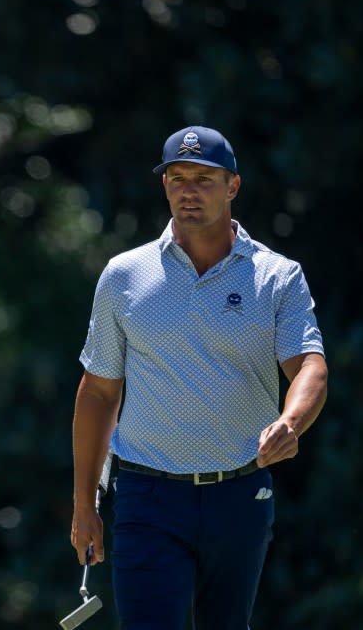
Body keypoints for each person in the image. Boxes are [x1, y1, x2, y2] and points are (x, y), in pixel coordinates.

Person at [69, 126, 328, 629]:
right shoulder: (124, 274)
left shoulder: (277, 276)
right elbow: (98, 392)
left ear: (233, 186)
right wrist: (84, 504)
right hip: (147, 495)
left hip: (240, 492)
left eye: (204, 179)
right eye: (177, 177)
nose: (189, 190)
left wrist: (291, 422)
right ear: (165, 185)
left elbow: (310, 365)